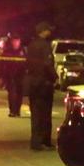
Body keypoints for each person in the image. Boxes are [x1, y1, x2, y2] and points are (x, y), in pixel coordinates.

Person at [26, 22, 57, 151]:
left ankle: (35, 141)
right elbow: (48, 64)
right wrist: (55, 77)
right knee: (44, 114)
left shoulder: (31, 45)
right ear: (43, 31)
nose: (50, 32)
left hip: (33, 83)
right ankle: (44, 140)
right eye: (48, 30)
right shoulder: (45, 46)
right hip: (44, 84)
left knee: (35, 114)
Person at [0, 33, 26, 117]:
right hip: (9, 74)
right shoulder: (6, 50)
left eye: (17, 41)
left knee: (19, 92)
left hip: (20, 74)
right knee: (12, 92)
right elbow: (0, 63)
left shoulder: (22, 50)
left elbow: (26, 61)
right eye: (14, 41)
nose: (16, 43)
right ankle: (12, 111)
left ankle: (17, 110)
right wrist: (0, 76)